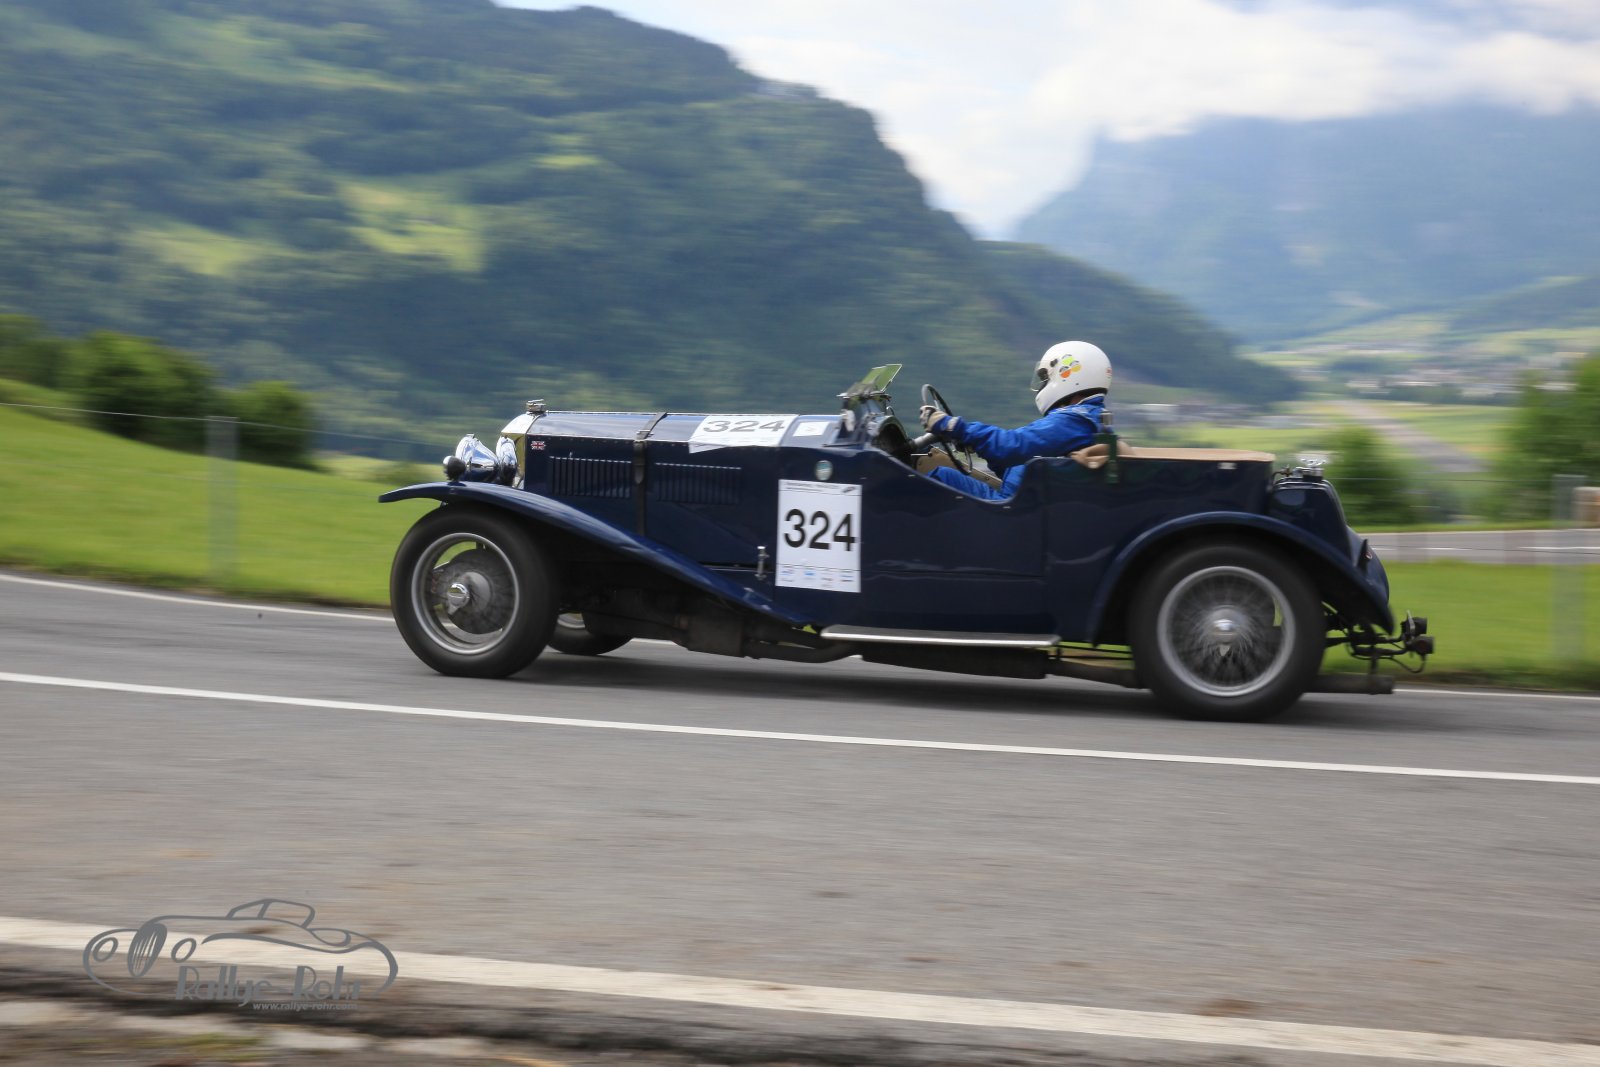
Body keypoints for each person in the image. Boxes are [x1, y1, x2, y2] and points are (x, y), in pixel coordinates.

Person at [918, 340, 1111, 501]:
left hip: (1019, 511)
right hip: (1029, 505)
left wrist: (953, 426)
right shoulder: (1088, 421)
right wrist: (977, 445)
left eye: (1045, 378)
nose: (1043, 384)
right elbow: (1017, 460)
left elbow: (1013, 445)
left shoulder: (1074, 421)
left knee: (940, 476)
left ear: (1068, 374)